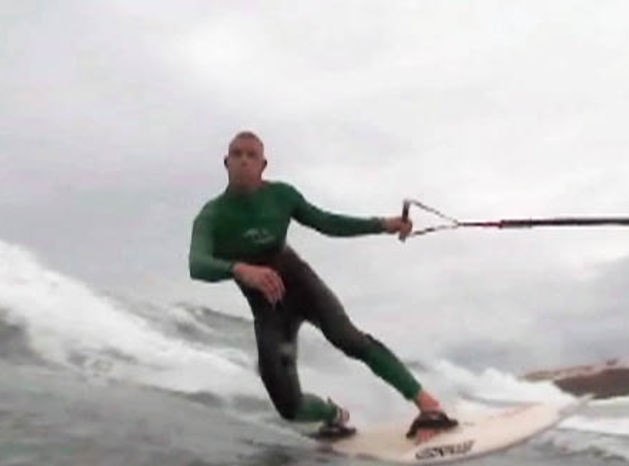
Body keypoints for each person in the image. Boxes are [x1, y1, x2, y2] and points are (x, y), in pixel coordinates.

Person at [189, 131, 457, 442]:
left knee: (348, 338)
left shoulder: (282, 196)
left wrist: (381, 225)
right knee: (288, 406)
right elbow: (197, 265)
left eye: (251, 155)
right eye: (237, 154)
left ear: (264, 164)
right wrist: (239, 269)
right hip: (269, 311)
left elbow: (327, 223)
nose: (244, 161)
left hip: (302, 286)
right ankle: (333, 416)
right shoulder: (212, 216)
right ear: (226, 163)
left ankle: (429, 406)